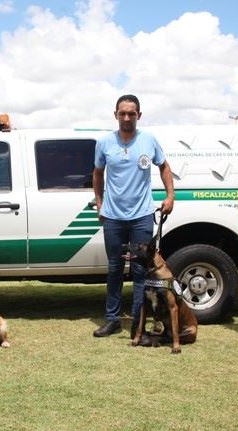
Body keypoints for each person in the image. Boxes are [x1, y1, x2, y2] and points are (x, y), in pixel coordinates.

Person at [92, 94, 175, 340]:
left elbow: (165, 167)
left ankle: (138, 323)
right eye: (122, 113)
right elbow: (97, 174)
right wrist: (99, 204)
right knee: (115, 269)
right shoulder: (104, 143)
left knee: (141, 271)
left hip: (142, 215)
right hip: (114, 218)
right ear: (115, 114)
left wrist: (171, 196)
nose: (127, 117)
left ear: (139, 115)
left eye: (131, 113)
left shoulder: (149, 141)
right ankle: (112, 320)